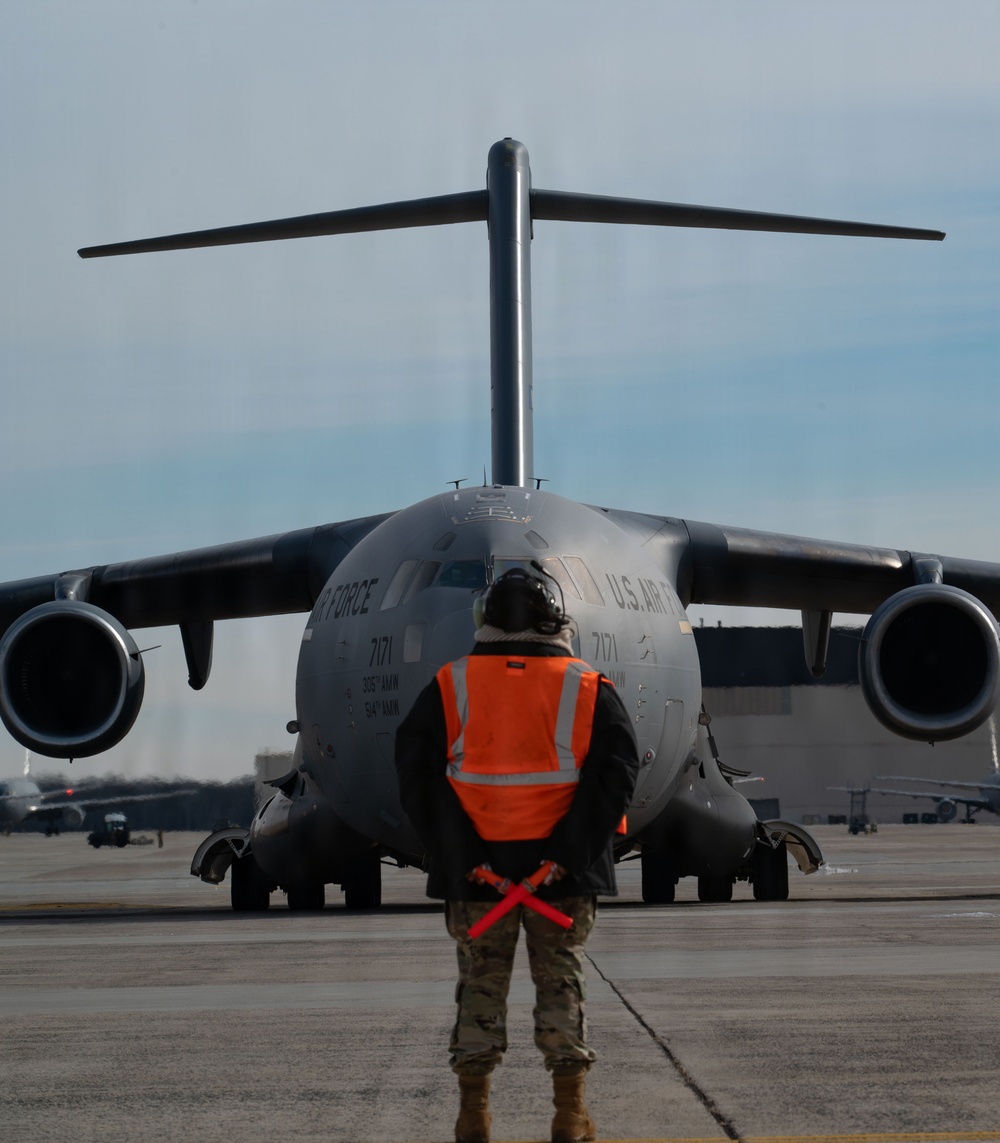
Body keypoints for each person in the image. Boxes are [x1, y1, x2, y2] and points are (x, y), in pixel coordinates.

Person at [395, 567, 639, 1143]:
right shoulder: (587, 685)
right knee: (562, 987)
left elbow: (418, 779)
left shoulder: (449, 685)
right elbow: (616, 776)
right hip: (560, 878)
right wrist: (564, 856)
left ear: (484, 620)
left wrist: (463, 856)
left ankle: (473, 1117)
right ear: (555, 618)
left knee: (480, 988)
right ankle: (568, 1116)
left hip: (479, 879)